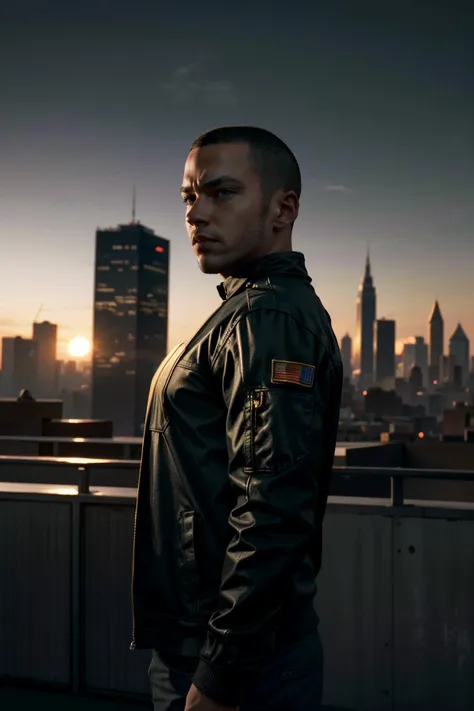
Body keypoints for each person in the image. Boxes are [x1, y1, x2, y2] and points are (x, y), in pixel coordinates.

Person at [130, 126, 343, 711]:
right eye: (188, 197)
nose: (196, 213)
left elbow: (272, 509)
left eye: (221, 193)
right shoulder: (247, 312)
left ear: (283, 208)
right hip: (218, 648)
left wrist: (220, 676)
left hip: (236, 663)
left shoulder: (265, 317)